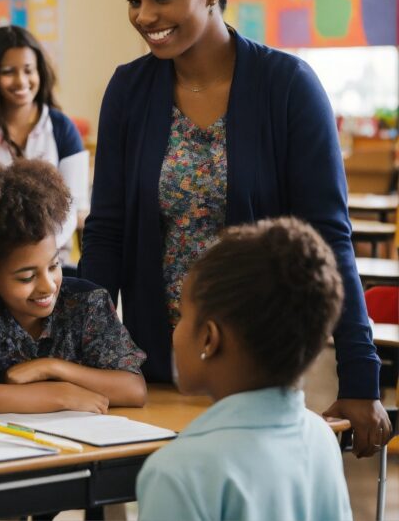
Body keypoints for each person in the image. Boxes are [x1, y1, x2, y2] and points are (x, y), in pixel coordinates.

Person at [79, 0, 389, 457]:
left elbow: (329, 237)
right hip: (158, 366)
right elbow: (108, 235)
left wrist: (360, 377)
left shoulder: (288, 87)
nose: (145, 17)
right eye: (133, 0)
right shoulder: (129, 90)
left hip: (268, 369)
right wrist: (82, 353)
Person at [136, 218, 353, 520]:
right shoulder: (321, 439)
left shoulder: (178, 471)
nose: (176, 329)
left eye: (183, 315)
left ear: (209, 338)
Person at [0, 156, 145, 415]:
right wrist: (60, 394)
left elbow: (134, 389)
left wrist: (51, 368)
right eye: (26, 277)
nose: (47, 286)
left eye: (53, 266)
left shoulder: (87, 303)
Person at [0, 26, 88, 262]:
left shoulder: (63, 128)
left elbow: (75, 209)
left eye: (28, 70)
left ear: (40, 72)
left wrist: (38, 250)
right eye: (8, 71)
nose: (21, 81)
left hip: (54, 262)